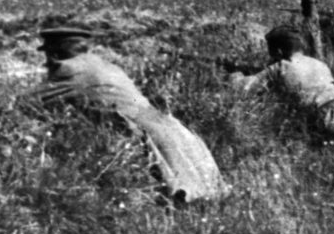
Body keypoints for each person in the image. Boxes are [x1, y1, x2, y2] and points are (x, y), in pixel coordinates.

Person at [30, 27, 229, 203]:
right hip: (165, 123)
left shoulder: (70, 69)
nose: (47, 62)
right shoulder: (106, 66)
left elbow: (32, 100)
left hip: (140, 127)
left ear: (56, 54)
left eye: (48, 54)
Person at [230, 26, 334, 139]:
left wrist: (236, 75)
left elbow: (244, 88)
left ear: (279, 52)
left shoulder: (281, 66)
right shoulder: (319, 63)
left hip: (323, 121)